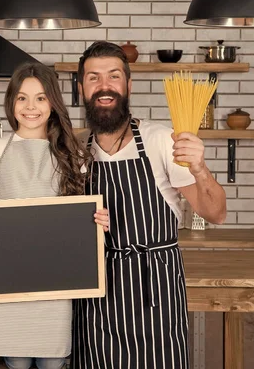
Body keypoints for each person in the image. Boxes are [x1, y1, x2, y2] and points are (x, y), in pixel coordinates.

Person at [71, 41, 227, 369]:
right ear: (81, 87)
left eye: (113, 76)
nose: (104, 86)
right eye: (93, 78)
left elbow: (216, 212)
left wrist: (199, 168)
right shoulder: (76, 151)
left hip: (155, 294)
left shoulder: (160, 141)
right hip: (97, 297)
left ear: (128, 85)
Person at [0, 62, 110, 369]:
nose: (31, 107)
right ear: (11, 102)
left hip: (55, 284)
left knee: (53, 362)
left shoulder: (71, 152)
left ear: (53, 103)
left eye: (40, 98)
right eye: (22, 98)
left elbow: (77, 220)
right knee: (15, 361)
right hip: (8, 284)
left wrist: (96, 222)